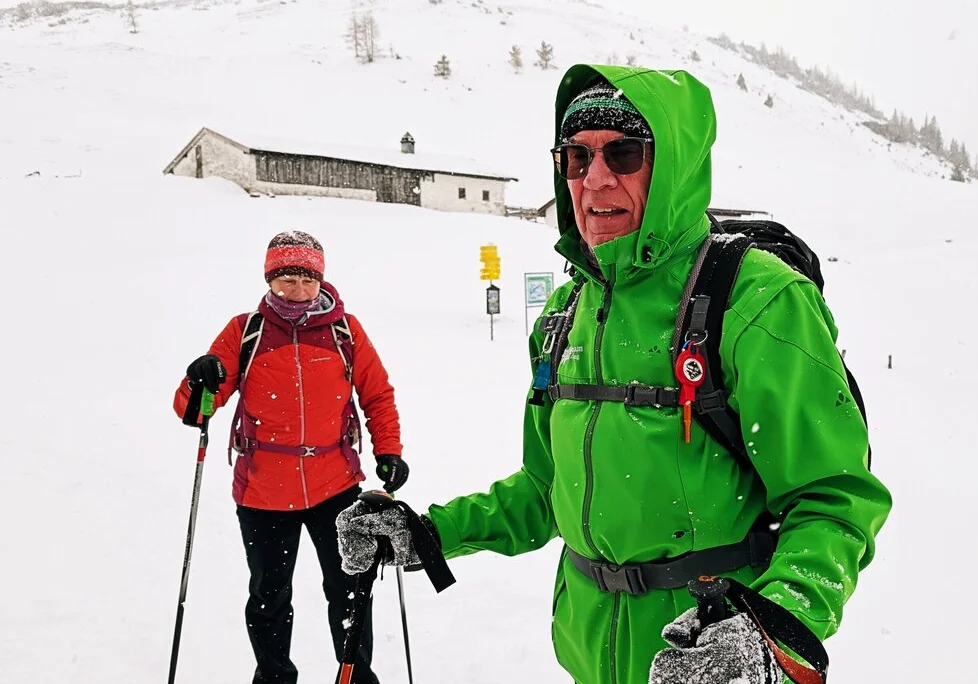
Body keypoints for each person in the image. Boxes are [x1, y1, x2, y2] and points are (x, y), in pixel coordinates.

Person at [335, 65, 893, 684]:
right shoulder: (564, 315)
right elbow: (548, 491)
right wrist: (430, 532)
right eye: (575, 158)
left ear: (672, 167)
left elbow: (835, 498)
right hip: (589, 652)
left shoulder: (755, 299)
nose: (594, 177)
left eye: (623, 153)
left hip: (707, 662)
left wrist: (775, 629)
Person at [175, 231, 406, 684]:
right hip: (262, 491)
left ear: (321, 280)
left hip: (335, 487)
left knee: (349, 591)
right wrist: (198, 379)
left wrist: (390, 450)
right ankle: (275, 677)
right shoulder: (245, 331)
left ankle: (355, 676)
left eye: (306, 279)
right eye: (286, 279)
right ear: (269, 279)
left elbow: (377, 395)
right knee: (269, 595)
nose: (297, 291)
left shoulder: (346, 331)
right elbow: (193, 411)